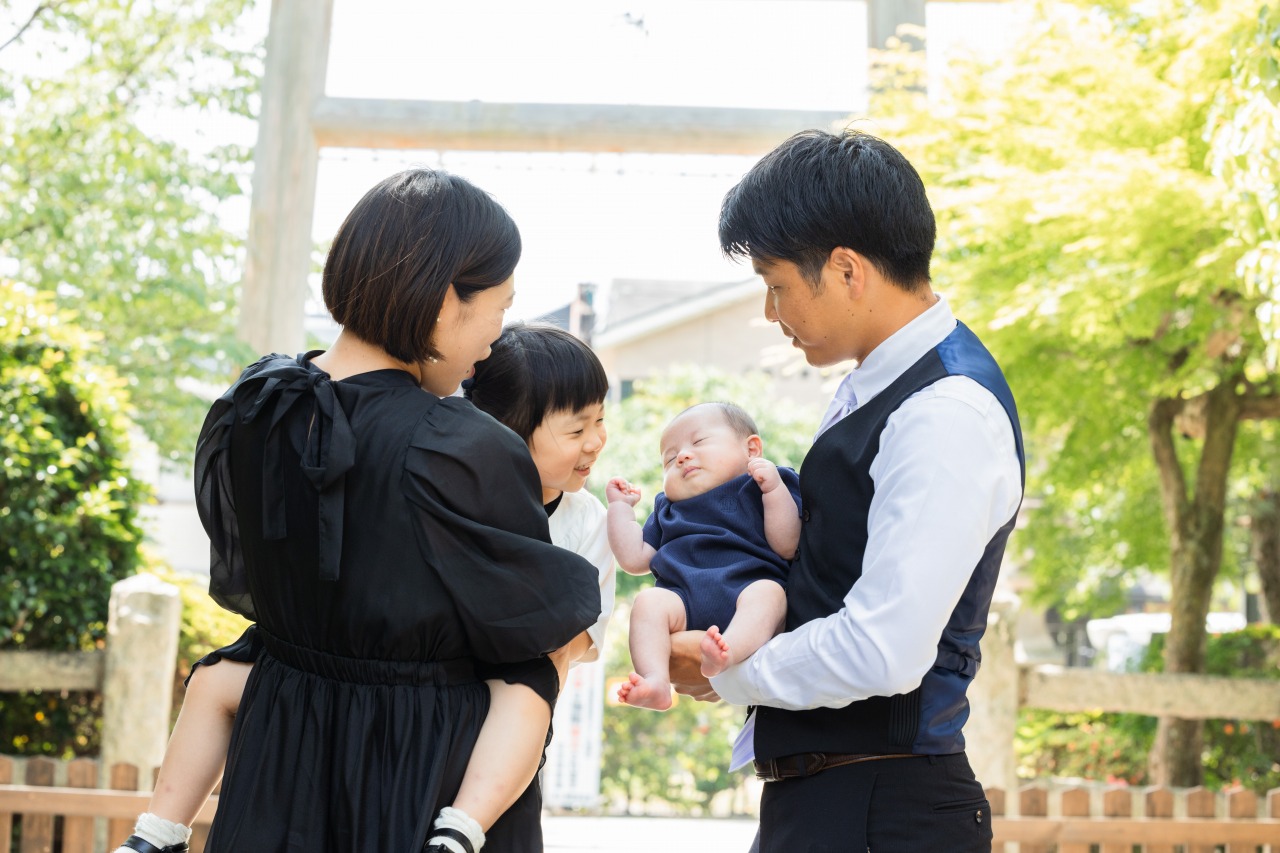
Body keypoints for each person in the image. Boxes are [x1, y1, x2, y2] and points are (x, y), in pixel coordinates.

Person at [115, 169, 601, 853]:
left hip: (279, 771)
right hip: (420, 787)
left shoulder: (256, 411)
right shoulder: (462, 446)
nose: (496, 337)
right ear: (442, 301)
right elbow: (532, 650)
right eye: (499, 305)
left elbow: (268, 617)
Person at [705, 129, 1026, 852]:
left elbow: (884, 648)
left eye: (777, 284)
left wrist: (732, 671)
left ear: (847, 269)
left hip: (884, 808)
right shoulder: (873, 386)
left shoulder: (944, 409)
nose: (770, 311)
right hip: (840, 800)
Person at [606, 402, 801, 712]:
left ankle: (729, 651)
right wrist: (620, 509)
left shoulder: (762, 485)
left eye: (699, 442)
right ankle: (655, 680)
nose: (682, 456)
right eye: (669, 459)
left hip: (747, 593)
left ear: (752, 449)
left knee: (771, 594)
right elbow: (634, 559)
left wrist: (774, 490)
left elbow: (787, 545)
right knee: (648, 602)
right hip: (684, 601)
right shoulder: (667, 508)